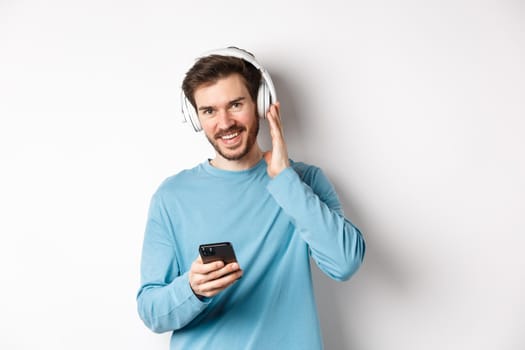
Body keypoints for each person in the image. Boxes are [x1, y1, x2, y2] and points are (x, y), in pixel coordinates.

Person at [136, 47, 365, 350]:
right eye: (209, 111)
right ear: (197, 118)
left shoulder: (304, 181)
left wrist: (285, 180)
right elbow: (152, 312)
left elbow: (345, 262)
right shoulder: (172, 196)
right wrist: (192, 288)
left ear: (260, 103)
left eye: (235, 104)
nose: (225, 122)